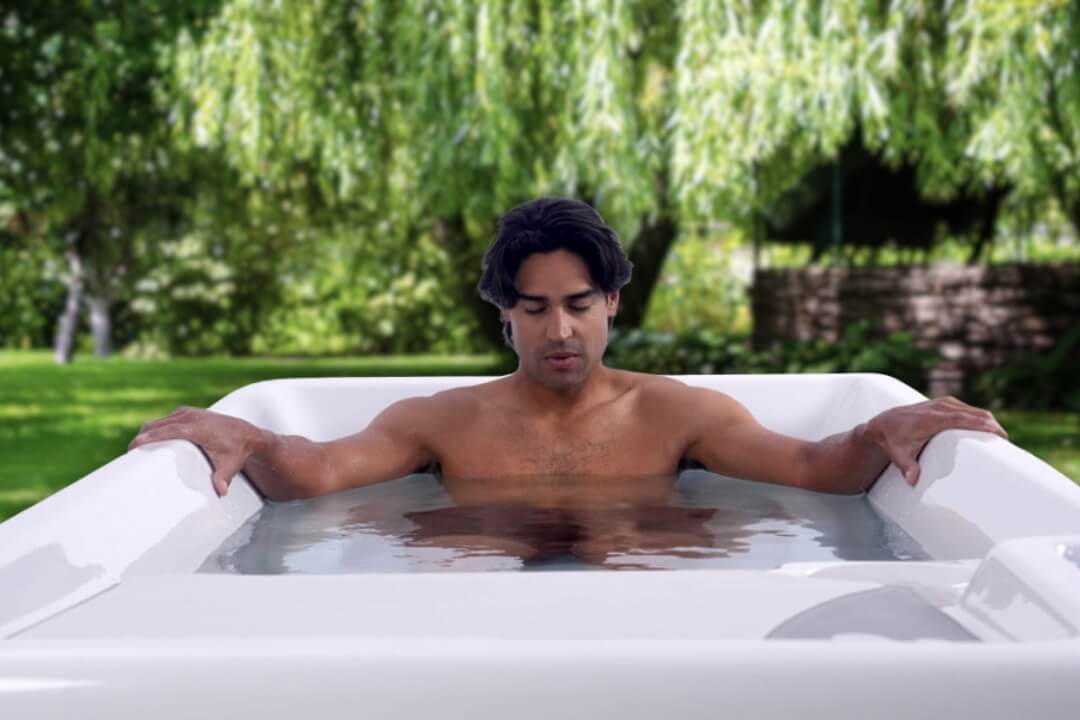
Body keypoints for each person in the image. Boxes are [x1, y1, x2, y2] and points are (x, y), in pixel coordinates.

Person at [129, 198, 1006, 565]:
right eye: (535, 307)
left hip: (645, 588)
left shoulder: (675, 412)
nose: (559, 329)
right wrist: (251, 437)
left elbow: (816, 472)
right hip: (480, 599)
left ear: (612, 301)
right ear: (503, 313)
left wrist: (883, 427)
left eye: (579, 304)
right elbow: (315, 475)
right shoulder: (441, 420)